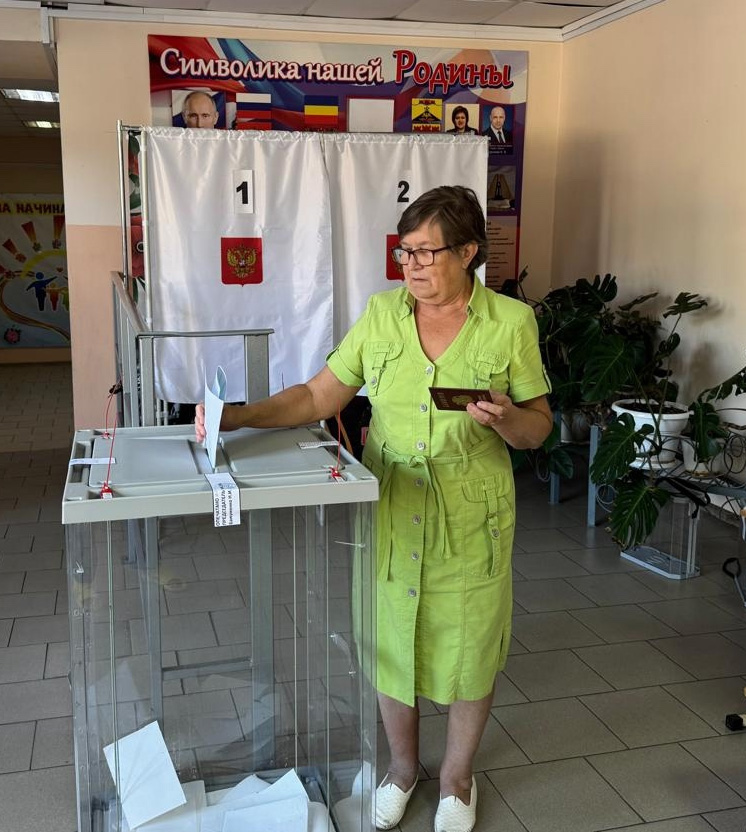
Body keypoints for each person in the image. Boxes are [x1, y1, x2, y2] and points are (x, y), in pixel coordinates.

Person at [194, 185, 552, 832]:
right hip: (392, 506)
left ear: (468, 252)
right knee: (391, 642)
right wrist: (236, 418)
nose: (411, 266)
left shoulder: (510, 323)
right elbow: (317, 396)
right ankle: (402, 769)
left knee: (471, 648)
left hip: (471, 513)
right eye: (403, 251)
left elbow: (539, 427)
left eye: (426, 252)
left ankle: (457, 778)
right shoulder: (382, 315)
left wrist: (505, 419)